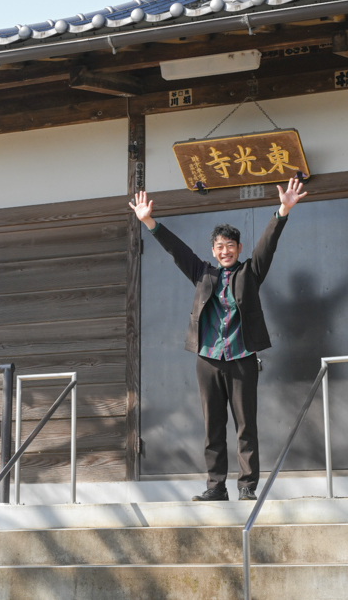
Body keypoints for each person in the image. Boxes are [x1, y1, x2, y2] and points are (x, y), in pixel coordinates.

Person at [129, 177, 308, 501]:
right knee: (213, 427)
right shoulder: (203, 273)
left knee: (245, 426)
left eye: (231, 246)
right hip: (208, 359)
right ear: (213, 250)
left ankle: (247, 487)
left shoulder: (249, 273)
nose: (225, 251)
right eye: (220, 246)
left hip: (241, 359)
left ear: (239, 249)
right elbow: (177, 250)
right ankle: (215, 487)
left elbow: (268, 244)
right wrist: (149, 222)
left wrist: (282, 211)